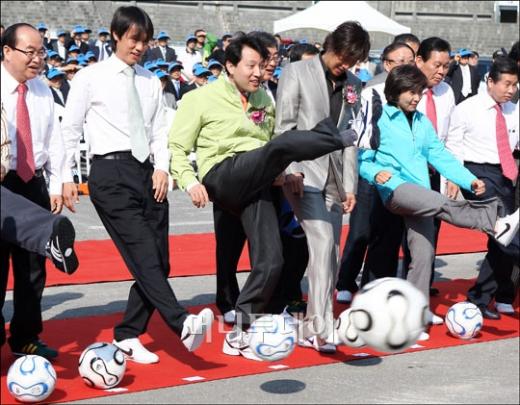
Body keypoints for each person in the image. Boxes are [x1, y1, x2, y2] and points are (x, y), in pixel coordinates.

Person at [169, 33, 357, 360]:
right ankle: (338, 139)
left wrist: (285, 176)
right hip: (222, 175)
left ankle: (240, 329)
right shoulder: (201, 98)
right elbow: (177, 148)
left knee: (272, 261)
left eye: (261, 66)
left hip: (255, 183)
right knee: (281, 146)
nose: (258, 72)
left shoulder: (262, 101)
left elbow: (269, 153)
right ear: (230, 66)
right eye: (251, 66)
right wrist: (189, 183)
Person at [60, 6, 214, 364]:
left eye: (144, 41)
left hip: (148, 174)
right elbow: (69, 129)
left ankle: (129, 332)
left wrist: (162, 168)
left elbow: (161, 131)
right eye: (133, 39)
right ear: (116, 35)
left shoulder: (149, 81)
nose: (139, 47)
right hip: (110, 173)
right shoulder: (90, 76)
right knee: (144, 253)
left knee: (160, 261)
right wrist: (67, 177)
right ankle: (181, 322)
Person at [359, 64, 518, 340]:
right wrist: (376, 173)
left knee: (422, 257)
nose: (416, 97)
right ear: (396, 91)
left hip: (422, 195)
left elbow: (440, 156)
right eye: (411, 91)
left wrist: (469, 180)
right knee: (442, 204)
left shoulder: (421, 122)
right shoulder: (380, 118)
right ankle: (493, 221)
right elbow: (361, 159)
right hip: (396, 190)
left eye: (419, 92)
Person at [275, 21, 370, 352]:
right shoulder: (297, 72)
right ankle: (323, 325)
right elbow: (284, 127)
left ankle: (313, 327)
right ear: (330, 46)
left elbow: (351, 139)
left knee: (331, 252)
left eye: (352, 60)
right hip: (302, 173)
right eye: (342, 57)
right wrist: (290, 169)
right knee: (322, 239)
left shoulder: (354, 84)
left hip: (335, 178)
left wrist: (350, 186)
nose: (345, 65)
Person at [1, 23, 66, 360]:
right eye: (30, 51)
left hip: (33, 184)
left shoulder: (42, 90)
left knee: (32, 269)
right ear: (7, 51)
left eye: (42, 51)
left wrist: (57, 184)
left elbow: (54, 141)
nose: (38, 58)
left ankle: (26, 336)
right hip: (1, 187)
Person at [336, 41, 416, 304]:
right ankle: (346, 280)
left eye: (410, 60)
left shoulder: (415, 95)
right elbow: (358, 135)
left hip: (398, 176)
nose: (406, 65)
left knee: (389, 234)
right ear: (387, 64)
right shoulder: (371, 91)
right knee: (361, 231)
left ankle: (374, 289)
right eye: (400, 60)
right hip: (370, 171)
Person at [446, 57, 519, 319]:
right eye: (507, 84)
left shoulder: (514, 109)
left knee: (500, 239)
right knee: (505, 231)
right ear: (490, 81)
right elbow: (453, 145)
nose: (511, 90)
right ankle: (486, 297)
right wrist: (453, 178)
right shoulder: (467, 108)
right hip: (475, 175)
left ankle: (481, 298)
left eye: (515, 85)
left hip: (505, 176)